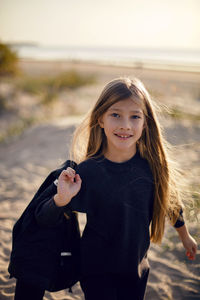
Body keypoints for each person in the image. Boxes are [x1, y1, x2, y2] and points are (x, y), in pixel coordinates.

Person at [35, 77, 197, 300]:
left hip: (137, 267)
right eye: (115, 114)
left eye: (135, 117)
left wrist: (185, 236)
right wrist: (61, 199)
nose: (125, 125)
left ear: (145, 122)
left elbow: (170, 203)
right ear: (100, 118)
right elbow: (43, 218)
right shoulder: (88, 171)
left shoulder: (152, 169)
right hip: (95, 270)